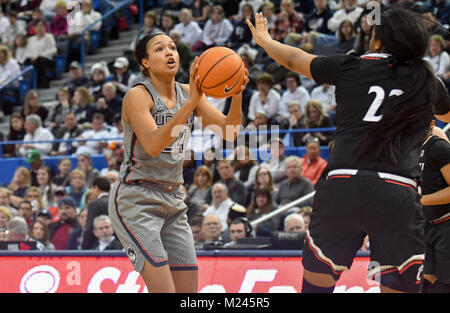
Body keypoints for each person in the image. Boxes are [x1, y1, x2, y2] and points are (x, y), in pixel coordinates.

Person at [247, 8, 450, 293]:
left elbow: (294, 58)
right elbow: (447, 114)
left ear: (377, 41)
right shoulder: (428, 81)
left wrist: (266, 40)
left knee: (316, 288)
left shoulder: (351, 66)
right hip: (396, 192)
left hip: (343, 185)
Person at [108, 31, 248, 293]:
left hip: (173, 198)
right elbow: (152, 144)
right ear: (145, 62)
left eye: (172, 47)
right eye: (160, 49)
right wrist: (192, 102)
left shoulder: (187, 92)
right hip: (135, 199)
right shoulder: (138, 96)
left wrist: (236, 92)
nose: (169, 52)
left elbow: (230, 131)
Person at [419, 120, 450, 293]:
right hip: (426, 224)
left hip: (446, 223)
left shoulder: (439, 147)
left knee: (445, 283)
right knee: (425, 279)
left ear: (431, 123)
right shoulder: (408, 149)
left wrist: (420, 200)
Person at [23, 19, 57, 88]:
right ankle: (28, 84)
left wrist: (38, 56)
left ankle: (41, 84)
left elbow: (52, 50)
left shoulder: (49, 37)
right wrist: (31, 57)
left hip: (47, 60)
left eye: (41, 26)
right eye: (37, 26)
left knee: (40, 60)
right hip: (34, 59)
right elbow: (27, 52)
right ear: (34, 28)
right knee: (26, 61)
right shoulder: (31, 39)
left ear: (45, 27)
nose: (39, 28)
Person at [81, 176, 110, 250]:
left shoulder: (94, 204)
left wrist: (84, 248)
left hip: (98, 247)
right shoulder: (116, 203)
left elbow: (90, 228)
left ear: (96, 188)